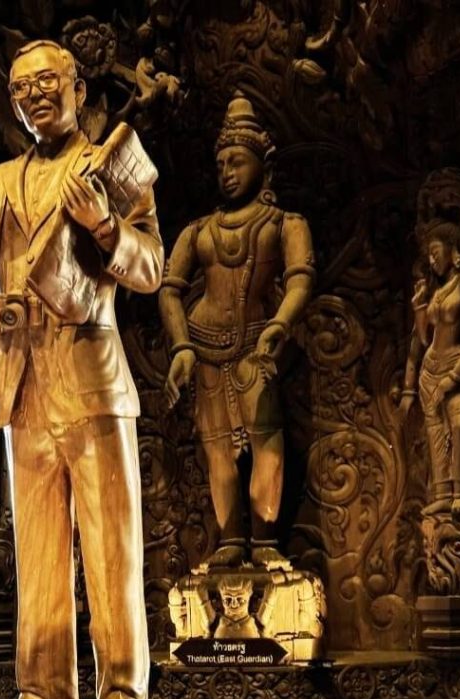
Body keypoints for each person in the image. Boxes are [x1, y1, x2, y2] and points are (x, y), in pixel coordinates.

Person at [0, 40, 163, 699]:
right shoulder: (0, 179)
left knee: (110, 545)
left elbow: (152, 267)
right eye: (20, 87)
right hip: (22, 377)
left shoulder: (109, 163)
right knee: (35, 550)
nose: (33, 95)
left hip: (91, 373)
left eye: (46, 82)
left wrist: (104, 225)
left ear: (76, 87)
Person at [161, 94, 315, 567]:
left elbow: (300, 278)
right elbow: (169, 289)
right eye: (221, 162)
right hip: (205, 348)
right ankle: (230, 539)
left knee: (267, 440)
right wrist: (182, 346)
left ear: (262, 166)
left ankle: (266, 540)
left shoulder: (285, 223)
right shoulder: (198, 231)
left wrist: (280, 324)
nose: (227, 171)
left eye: (238, 161)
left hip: (256, 346)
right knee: (216, 453)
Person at [400, 222, 460, 519]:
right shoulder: (436, 292)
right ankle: (442, 492)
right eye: (428, 255)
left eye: (436, 252)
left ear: (455, 252)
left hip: (458, 367)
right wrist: (419, 308)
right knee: (435, 433)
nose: (432, 260)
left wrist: (455, 377)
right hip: (431, 371)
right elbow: (425, 339)